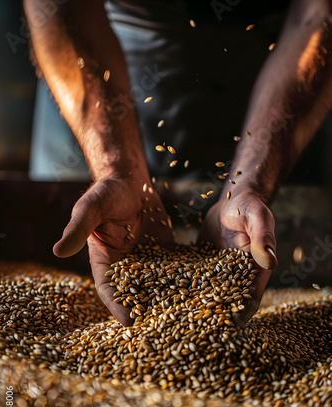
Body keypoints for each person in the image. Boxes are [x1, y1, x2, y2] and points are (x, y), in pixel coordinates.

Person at [24, 0, 332, 326]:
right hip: (97, 69)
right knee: (64, 274)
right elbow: (63, 11)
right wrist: (114, 170)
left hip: (282, 74)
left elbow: (315, 15)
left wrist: (252, 182)